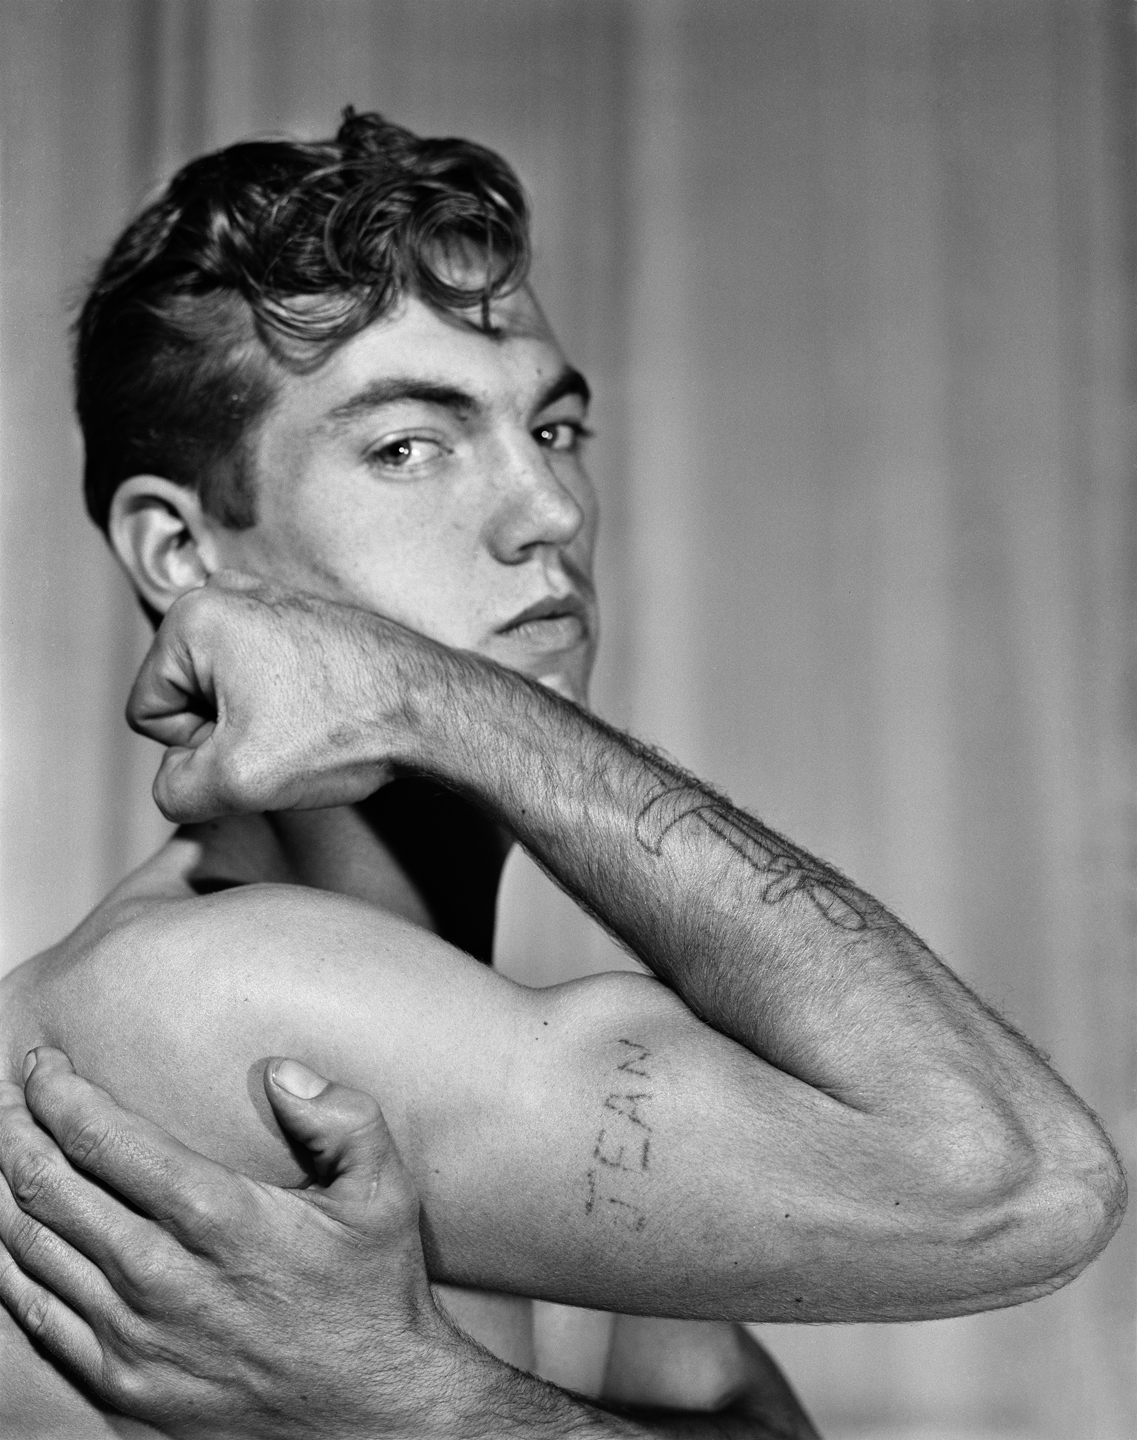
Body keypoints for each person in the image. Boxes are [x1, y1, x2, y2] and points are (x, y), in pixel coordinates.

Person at [0, 108, 1125, 1438]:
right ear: (182, 556)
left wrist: (437, 1404)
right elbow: (1019, 1181)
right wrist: (436, 699)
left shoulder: (485, 1050)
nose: (551, 511)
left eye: (553, 430)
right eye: (407, 446)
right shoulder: (201, 995)